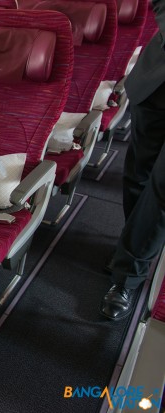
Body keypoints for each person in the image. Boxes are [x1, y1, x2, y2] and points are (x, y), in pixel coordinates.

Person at [100, 0, 165, 320]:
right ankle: (132, 241)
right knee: (138, 172)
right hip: (157, 81)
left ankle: (127, 276)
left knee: (162, 189)